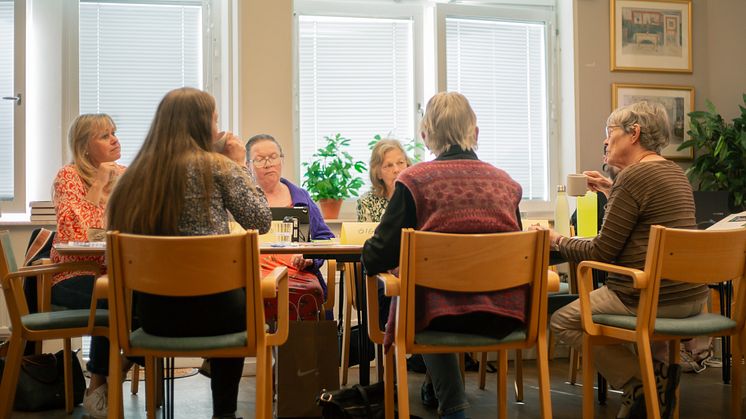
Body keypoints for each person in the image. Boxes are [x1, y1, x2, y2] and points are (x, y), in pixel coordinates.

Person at [107, 87, 271, 419]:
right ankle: (224, 413)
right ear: (201, 125)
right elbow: (260, 220)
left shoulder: (134, 175)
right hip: (220, 315)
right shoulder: (218, 167)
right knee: (237, 297)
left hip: (153, 316)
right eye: (215, 119)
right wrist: (239, 164)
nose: (218, 127)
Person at [538, 101, 708, 419]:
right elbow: (645, 221)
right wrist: (611, 189)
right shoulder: (675, 173)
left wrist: (557, 240)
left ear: (634, 134)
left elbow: (601, 252)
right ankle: (656, 386)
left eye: (610, 132)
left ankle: (640, 384)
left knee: (563, 321)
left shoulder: (633, 179)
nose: (605, 141)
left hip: (646, 297)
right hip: (689, 297)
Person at [363, 92, 525, 419]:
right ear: (475, 133)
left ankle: (453, 408)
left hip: (437, 318)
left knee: (425, 293)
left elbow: (377, 256)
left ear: (425, 136)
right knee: (438, 291)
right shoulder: (507, 184)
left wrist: (367, 253)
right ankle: (436, 391)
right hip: (502, 313)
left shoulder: (414, 181)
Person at [50, 113, 128, 418]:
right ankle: (99, 382)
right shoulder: (68, 177)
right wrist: (98, 183)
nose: (114, 139)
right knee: (114, 300)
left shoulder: (126, 174)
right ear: (84, 147)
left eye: (114, 133)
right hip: (72, 275)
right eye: (105, 135)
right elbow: (78, 235)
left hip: (115, 273)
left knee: (149, 298)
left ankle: (111, 374)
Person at [245, 134, 335, 319]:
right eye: (260, 159)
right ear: (248, 165)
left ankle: (303, 347)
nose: (268, 163)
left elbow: (325, 238)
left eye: (273, 156)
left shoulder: (300, 198)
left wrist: (309, 258)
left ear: (282, 160)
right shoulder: (242, 200)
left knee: (309, 292)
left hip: (298, 273)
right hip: (254, 274)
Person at [356, 138, 412, 222]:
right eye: (389, 165)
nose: (396, 170)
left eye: (400, 163)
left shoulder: (417, 197)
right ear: (378, 174)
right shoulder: (367, 202)